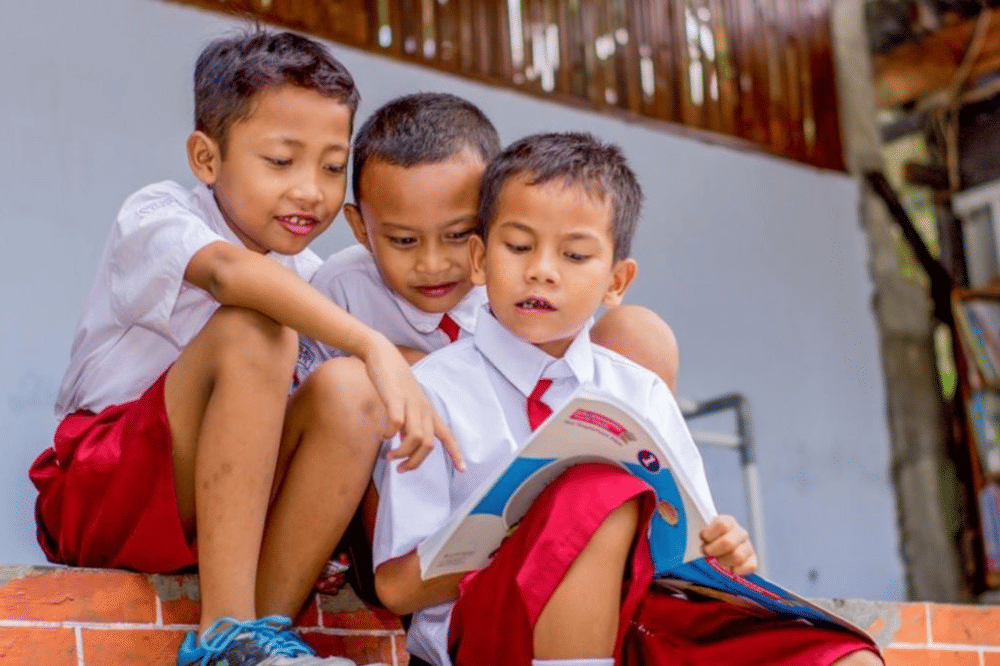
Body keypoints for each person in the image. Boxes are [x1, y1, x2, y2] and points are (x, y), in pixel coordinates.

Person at [28, 30, 461, 666]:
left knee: (351, 390)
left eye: (332, 166)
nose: (311, 191)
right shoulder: (161, 216)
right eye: (281, 162)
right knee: (255, 325)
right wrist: (373, 345)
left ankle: (264, 632)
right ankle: (225, 629)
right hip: (105, 486)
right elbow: (233, 278)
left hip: (227, 516)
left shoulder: (314, 278)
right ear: (207, 158)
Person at [370, 132, 884, 666]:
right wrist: (542, 531)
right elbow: (398, 589)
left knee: (843, 659)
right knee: (597, 491)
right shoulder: (435, 391)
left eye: (574, 254)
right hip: (490, 633)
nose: (542, 269)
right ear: (479, 260)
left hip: (634, 618)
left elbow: (684, 546)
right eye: (518, 246)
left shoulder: (637, 393)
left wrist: (728, 547)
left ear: (616, 281)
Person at [290, 92, 680, 611]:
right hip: (390, 525)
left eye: (459, 234)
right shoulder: (339, 290)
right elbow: (312, 418)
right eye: (404, 240)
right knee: (360, 388)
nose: (434, 264)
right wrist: (393, 368)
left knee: (640, 333)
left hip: (520, 487)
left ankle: (634, 553)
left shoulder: (516, 284)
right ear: (362, 228)